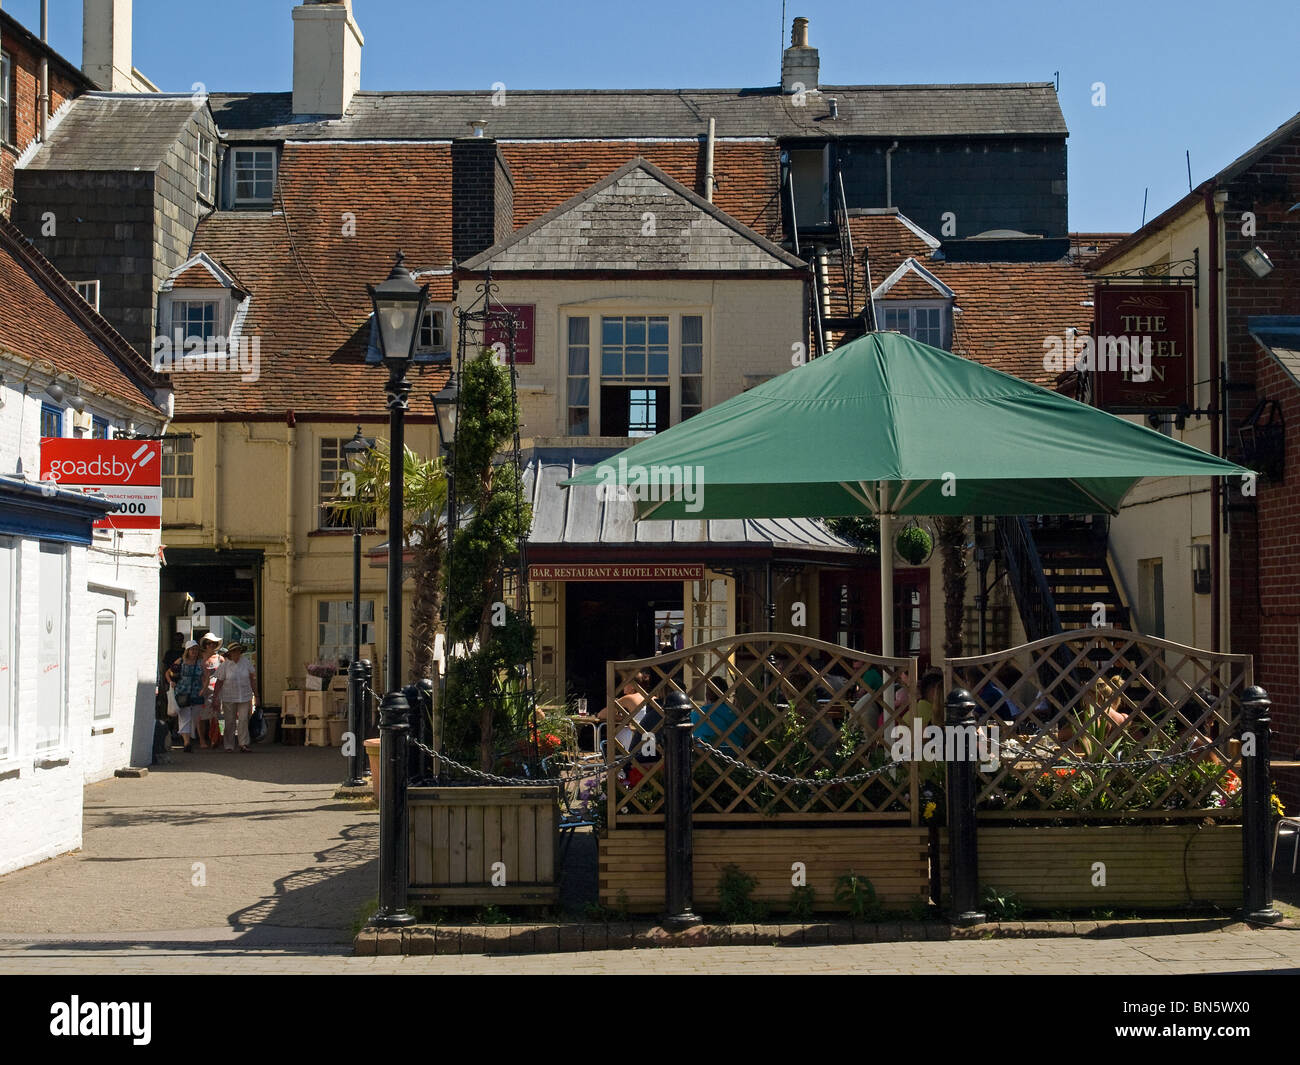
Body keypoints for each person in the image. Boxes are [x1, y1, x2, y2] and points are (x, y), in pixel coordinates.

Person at [214, 641, 257, 753]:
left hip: (245, 695)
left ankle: (243, 743)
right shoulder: (225, 665)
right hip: (229, 696)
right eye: (233, 651)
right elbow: (219, 682)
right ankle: (229, 745)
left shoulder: (246, 662)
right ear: (230, 653)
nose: (236, 653)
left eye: (238, 651)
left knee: (243, 720)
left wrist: (256, 695)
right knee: (230, 721)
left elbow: (252, 679)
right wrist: (215, 697)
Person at [167, 639, 204, 753]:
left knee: (195, 717)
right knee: (184, 717)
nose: (194, 652)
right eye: (192, 649)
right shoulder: (181, 661)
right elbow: (168, 672)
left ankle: (191, 737)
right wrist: (171, 682)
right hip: (182, 692)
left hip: (196, 692)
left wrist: (204, 688)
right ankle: (186, 742)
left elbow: (206, 676)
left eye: (196, 650)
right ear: (187, 651)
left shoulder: (200, 662)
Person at [198, 633, 224, 749]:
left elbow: (225, 674)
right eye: (208, 643)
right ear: (205, 645)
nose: (211, 645)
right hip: (202, 690)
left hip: (217, 690)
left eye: (213, 643)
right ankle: (202, 740)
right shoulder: (199, 658)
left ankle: (215, 738)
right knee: (201, 717)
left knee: (216, 715)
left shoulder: (220, 659)